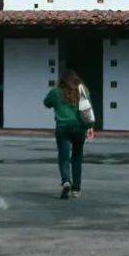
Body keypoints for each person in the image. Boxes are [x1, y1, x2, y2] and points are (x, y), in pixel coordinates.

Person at [43, 70, 94, 199]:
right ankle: (76, 189)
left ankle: (66, 181)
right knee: (77, 157)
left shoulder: (56, 92)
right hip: (79, 128)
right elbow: (88, 109)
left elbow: (46, 103)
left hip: (63, 128)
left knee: (64, 157)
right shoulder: (82, 91)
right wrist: (90, 127)